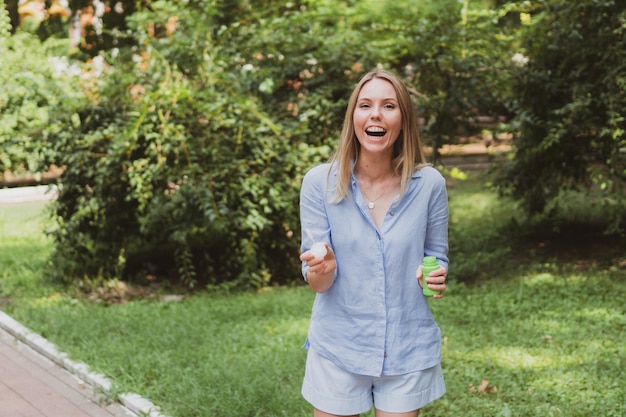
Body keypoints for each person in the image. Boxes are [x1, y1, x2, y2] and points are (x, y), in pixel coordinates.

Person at [298, 69, 449, 417]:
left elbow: (436, 256)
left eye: (388, 106)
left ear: (403, 120)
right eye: (365, 105)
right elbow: (318, 282)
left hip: (406, 346)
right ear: (354, 118)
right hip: (339, 345)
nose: (376, 114)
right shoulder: (319, 183)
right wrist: (324, 268)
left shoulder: (429, 185)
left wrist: (436, 275)